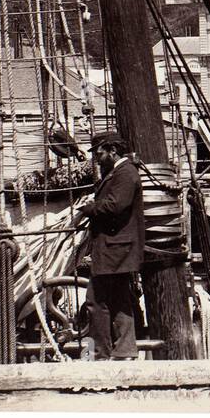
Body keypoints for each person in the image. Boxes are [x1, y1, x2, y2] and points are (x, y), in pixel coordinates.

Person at [75, 130, 145, 360]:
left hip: (115, 247)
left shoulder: (125, 173)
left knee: (96, 300)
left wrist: (89, 207)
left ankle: (100, 354)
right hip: (118, 247)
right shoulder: (120, 171)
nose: (96, 157)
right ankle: (126, 351)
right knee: (119, 299)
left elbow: (115, 206)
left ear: (112, 151)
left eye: (99, 152)